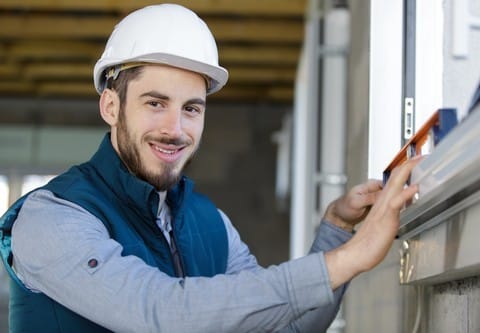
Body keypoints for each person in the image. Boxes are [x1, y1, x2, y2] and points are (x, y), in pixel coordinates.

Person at [0, 4, 420, 333]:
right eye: (155, 103)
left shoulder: (211, 224)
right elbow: (160, 313)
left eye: (191, 109)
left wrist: (336, 230)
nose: (174, 129)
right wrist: (353, 257)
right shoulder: (52, 216)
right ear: (111, 106)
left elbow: (288, 327)